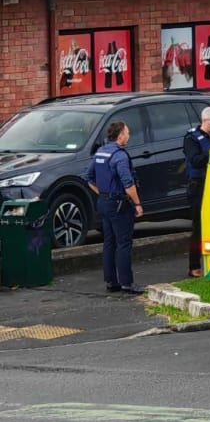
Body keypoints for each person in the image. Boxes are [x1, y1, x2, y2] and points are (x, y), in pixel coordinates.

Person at [84, 121, 145, 294]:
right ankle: (127, 283)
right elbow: (128, 183)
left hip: (104, 202)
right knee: (124, 243)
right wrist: (137, 204)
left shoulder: (100, 152)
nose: (129, 135)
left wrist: (103, 192)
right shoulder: (120, 156)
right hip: (119, 203)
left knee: (109, 242)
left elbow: (89, 177)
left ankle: (111, 281)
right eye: (127, 132)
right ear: (120, 136)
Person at [184, 106, 210, 278]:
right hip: (198, 185)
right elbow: (195, 160)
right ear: (206, 121)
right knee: (198, 227)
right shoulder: (191, 138)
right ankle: (194, 265)